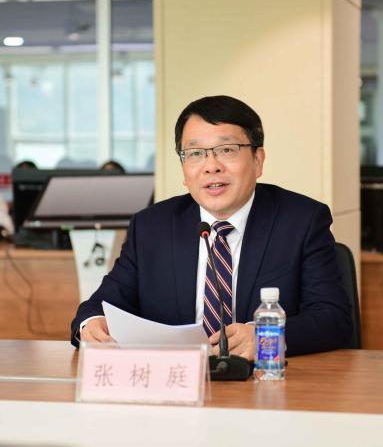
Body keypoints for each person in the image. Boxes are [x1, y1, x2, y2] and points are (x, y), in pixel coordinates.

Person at [71, 95, 352, 359]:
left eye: (227, 150)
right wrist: (92, 324)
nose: (211, 166)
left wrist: (266, 337)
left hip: (265, 381)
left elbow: (333, 319)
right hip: (174, 382)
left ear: (257, 160)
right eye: (195, 153)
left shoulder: (301, 221)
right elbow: (100, 306)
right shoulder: (151, 227)